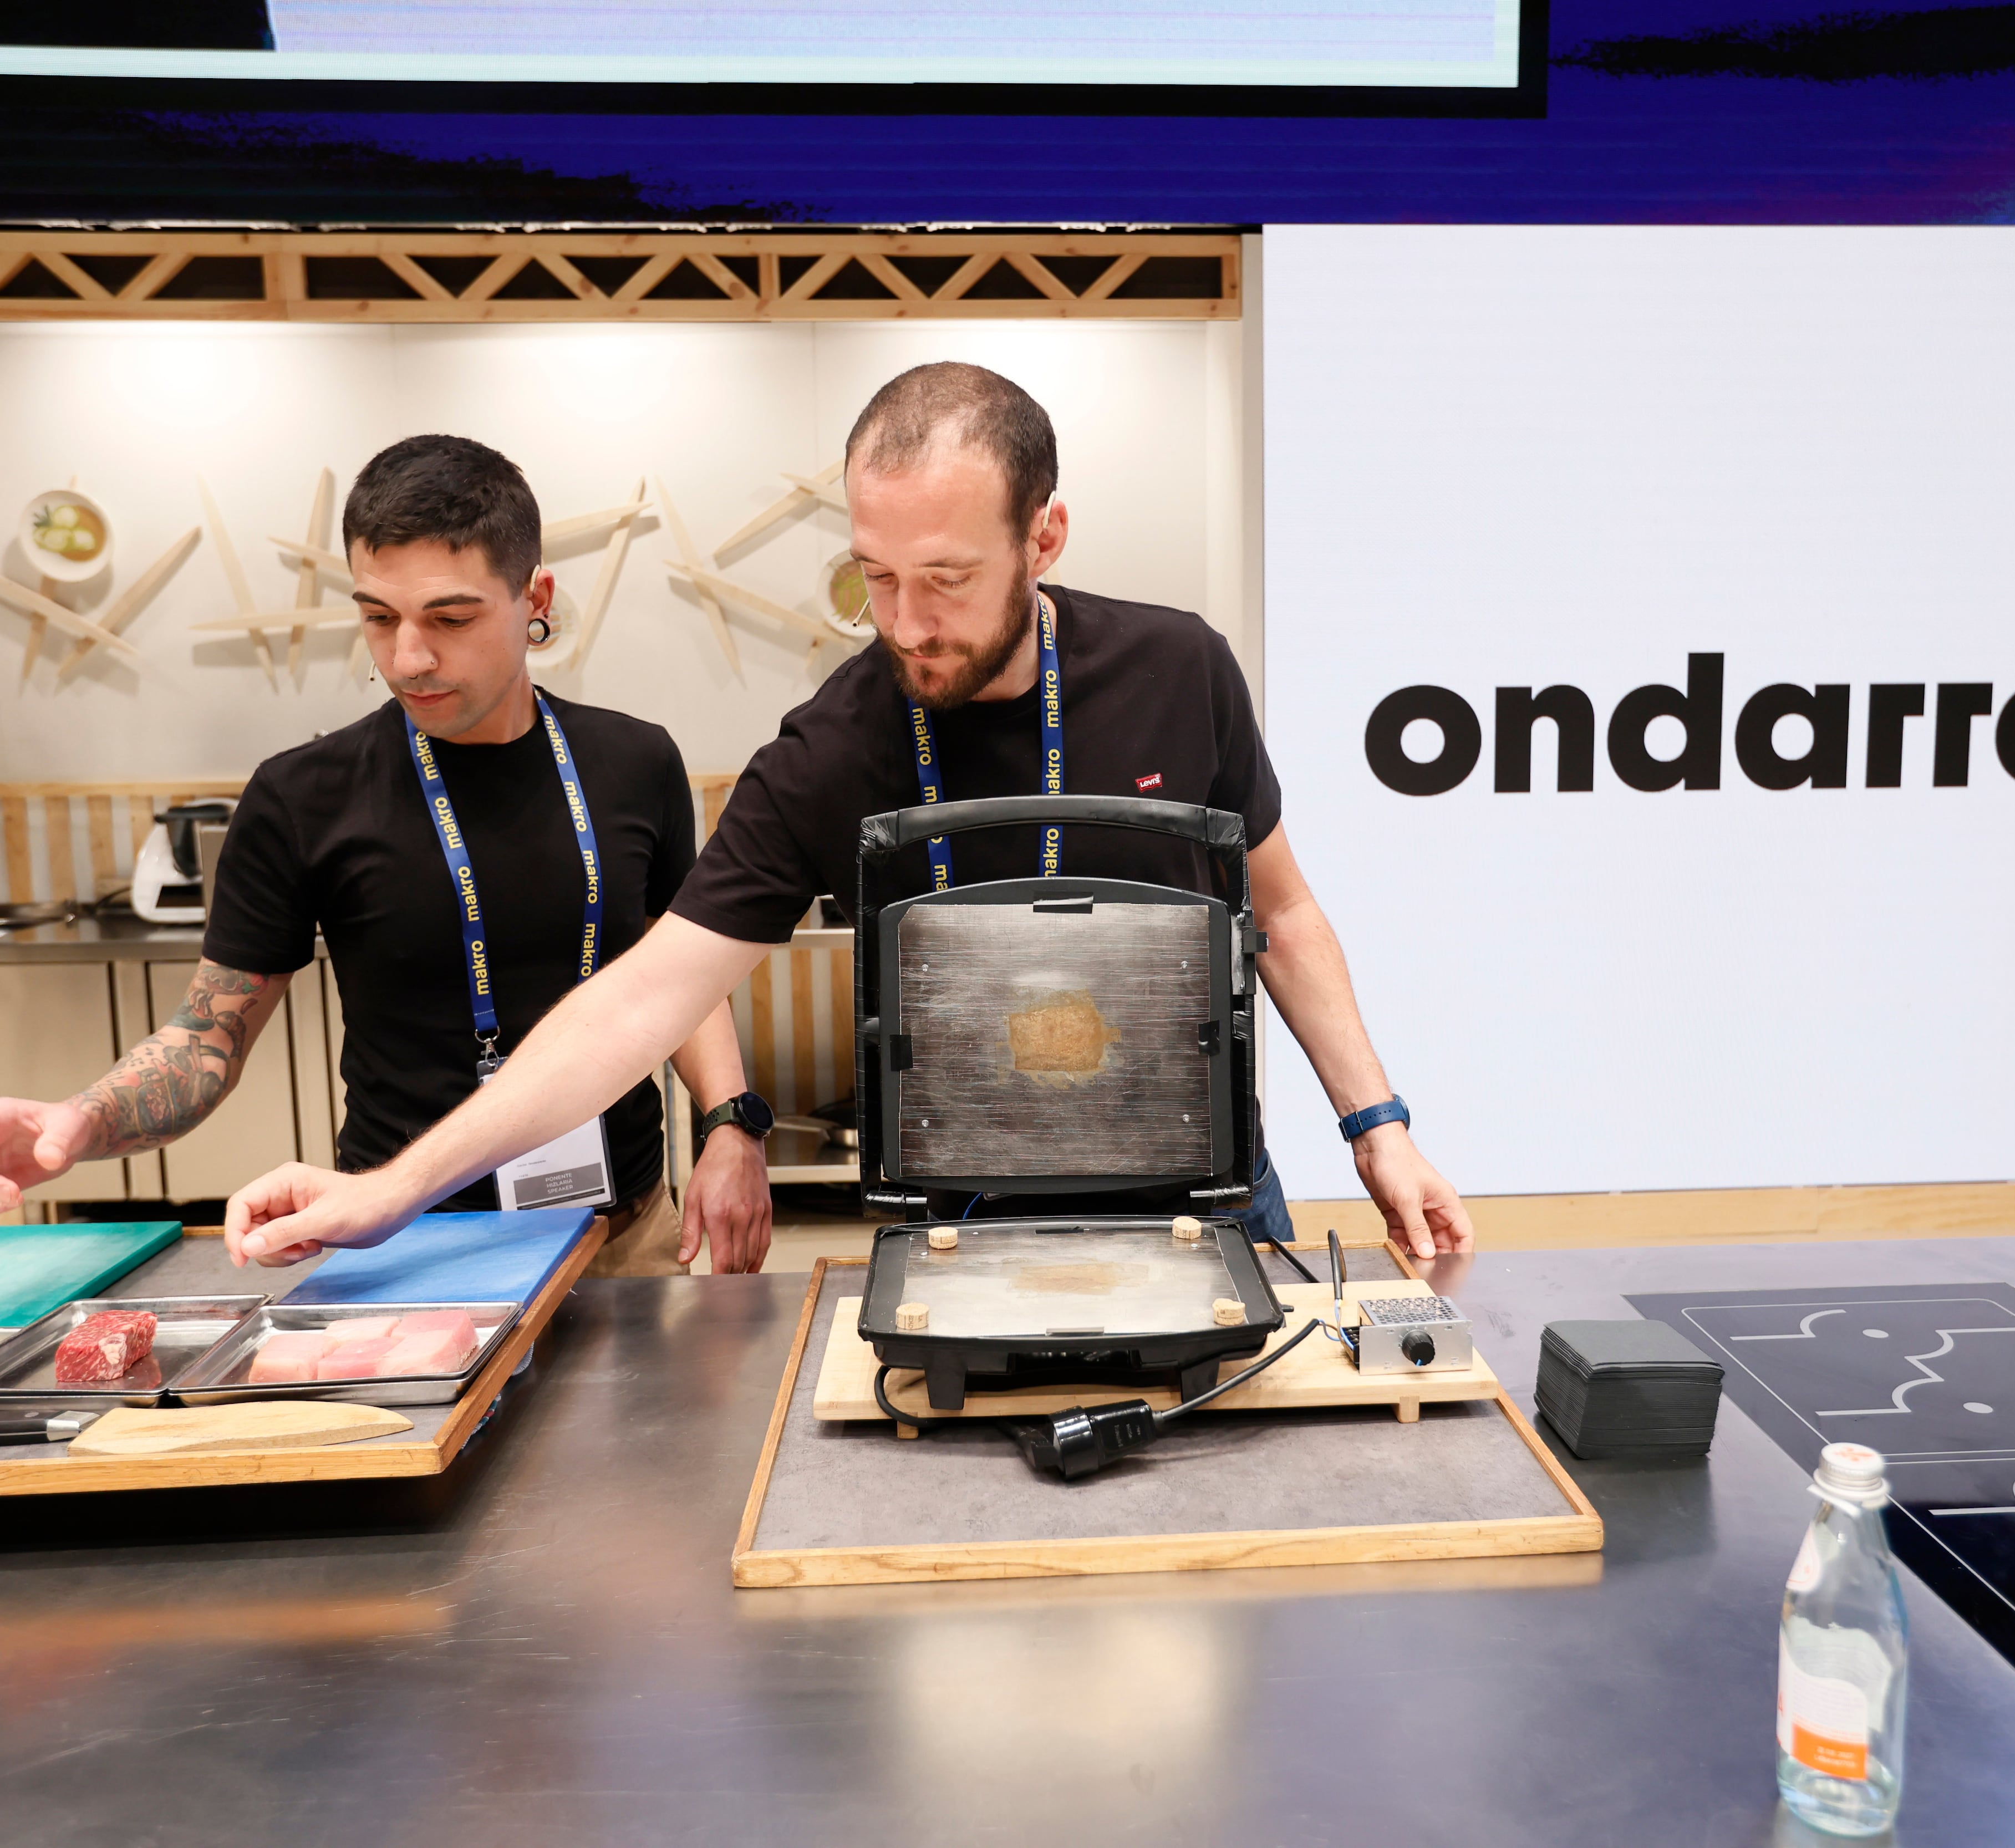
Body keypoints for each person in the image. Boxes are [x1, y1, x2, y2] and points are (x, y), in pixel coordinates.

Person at [221, 364, 1472, 1268]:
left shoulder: (1180, 668)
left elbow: (1285, 910)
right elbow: (640, 996)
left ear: (1045, 534)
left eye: (947, 579)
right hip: (961, 1216)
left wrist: (1378, 1126)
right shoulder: (839, 741)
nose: (906, 622)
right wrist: (395, 1187)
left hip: (1207, 1186)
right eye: (876, 576)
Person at [0, 434, 775, 1274]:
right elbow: (205, 1039)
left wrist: (729, 1120)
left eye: (450, 618)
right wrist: (81, 1117)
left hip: (622, 1227)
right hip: (402, 1237)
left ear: (535, 596)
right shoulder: (303, 797)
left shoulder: (635, 763)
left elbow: (680, 970)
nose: (409, 658)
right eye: (379, 618)